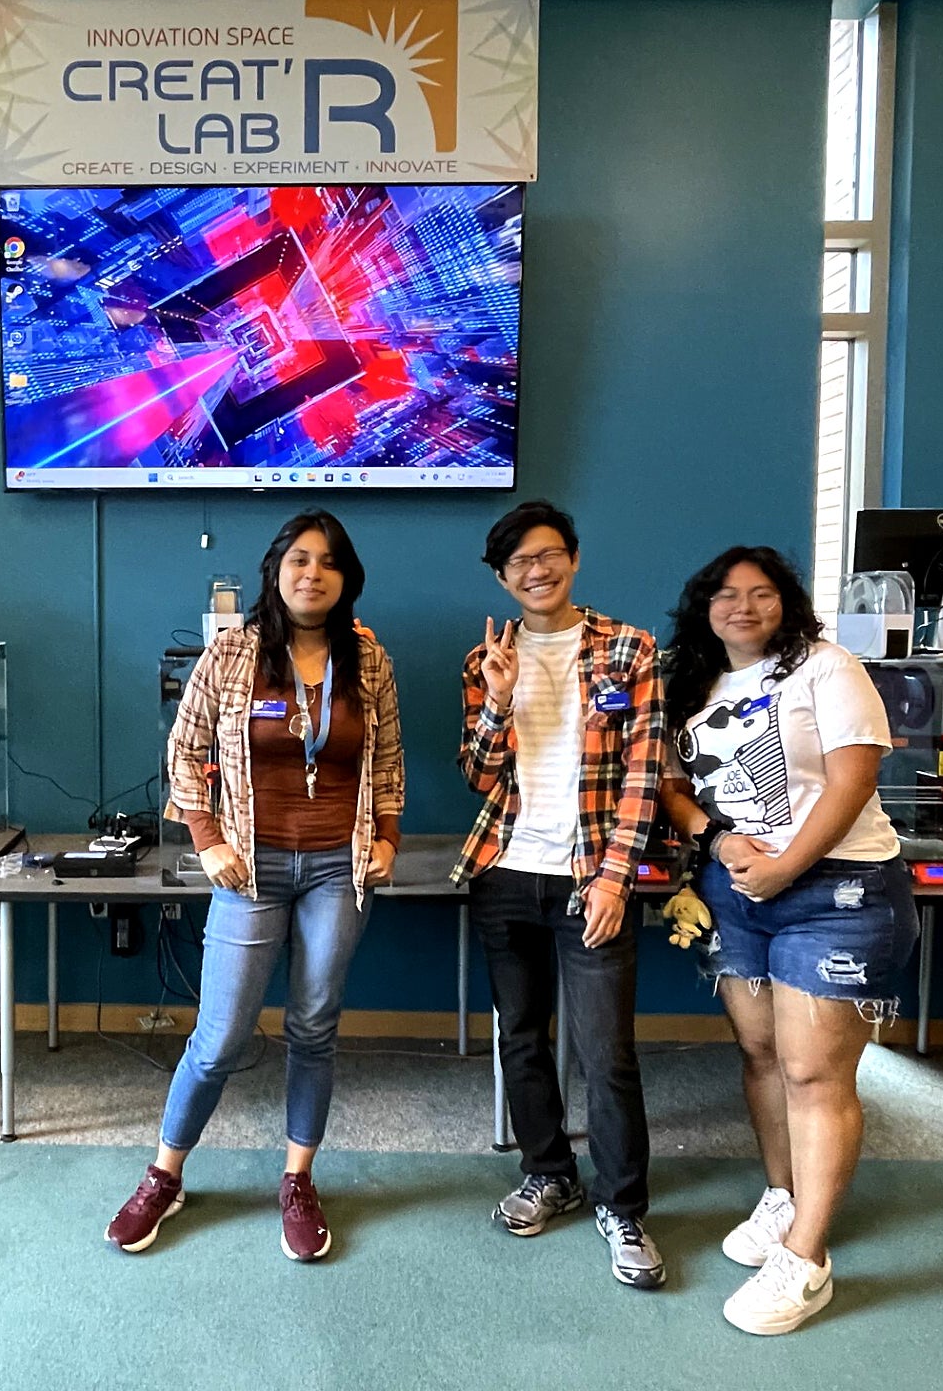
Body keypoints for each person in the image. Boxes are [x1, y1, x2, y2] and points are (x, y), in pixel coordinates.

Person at [105, 509, 404, 1261]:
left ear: (347, 579)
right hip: (252, 869)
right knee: (220, 1037)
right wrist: (207, 840)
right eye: (300, 559)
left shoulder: (369, 662)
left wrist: (388, 839)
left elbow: (391, 761)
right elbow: (184, 751)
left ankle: (298, 1180)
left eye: (330, 562)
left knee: (313, 1025)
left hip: (339, 865)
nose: (313, 573)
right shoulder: (233, 655)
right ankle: (164, 1177)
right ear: (278, 569)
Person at [660, 545, 917, 1335]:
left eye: (762, 594)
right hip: (736, 893)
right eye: (726, 595)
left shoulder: (827, 668)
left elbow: (853, 779)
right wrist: (718, 840)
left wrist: (785, 867)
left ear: (787, 602)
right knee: (763, 1054)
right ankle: (783, 1197)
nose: (744, 607)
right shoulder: (691, 683)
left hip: (836, 889)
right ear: (705, 606)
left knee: (813, 1071)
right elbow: (669, 785)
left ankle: (808, 1260)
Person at [451, 500, 667, 1289]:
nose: (535, 571)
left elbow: (645, 772)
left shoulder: (629, 648)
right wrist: (501, 700)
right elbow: (477, 773)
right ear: (502, 578)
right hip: (505, 871)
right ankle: (551, 1173)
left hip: (590, 875)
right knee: (522, 1038)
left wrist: (614, 876)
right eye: (518, 563)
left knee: (607, 1054)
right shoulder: (485, 662)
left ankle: (623, 1206)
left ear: (572, 558)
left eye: (547, 555)